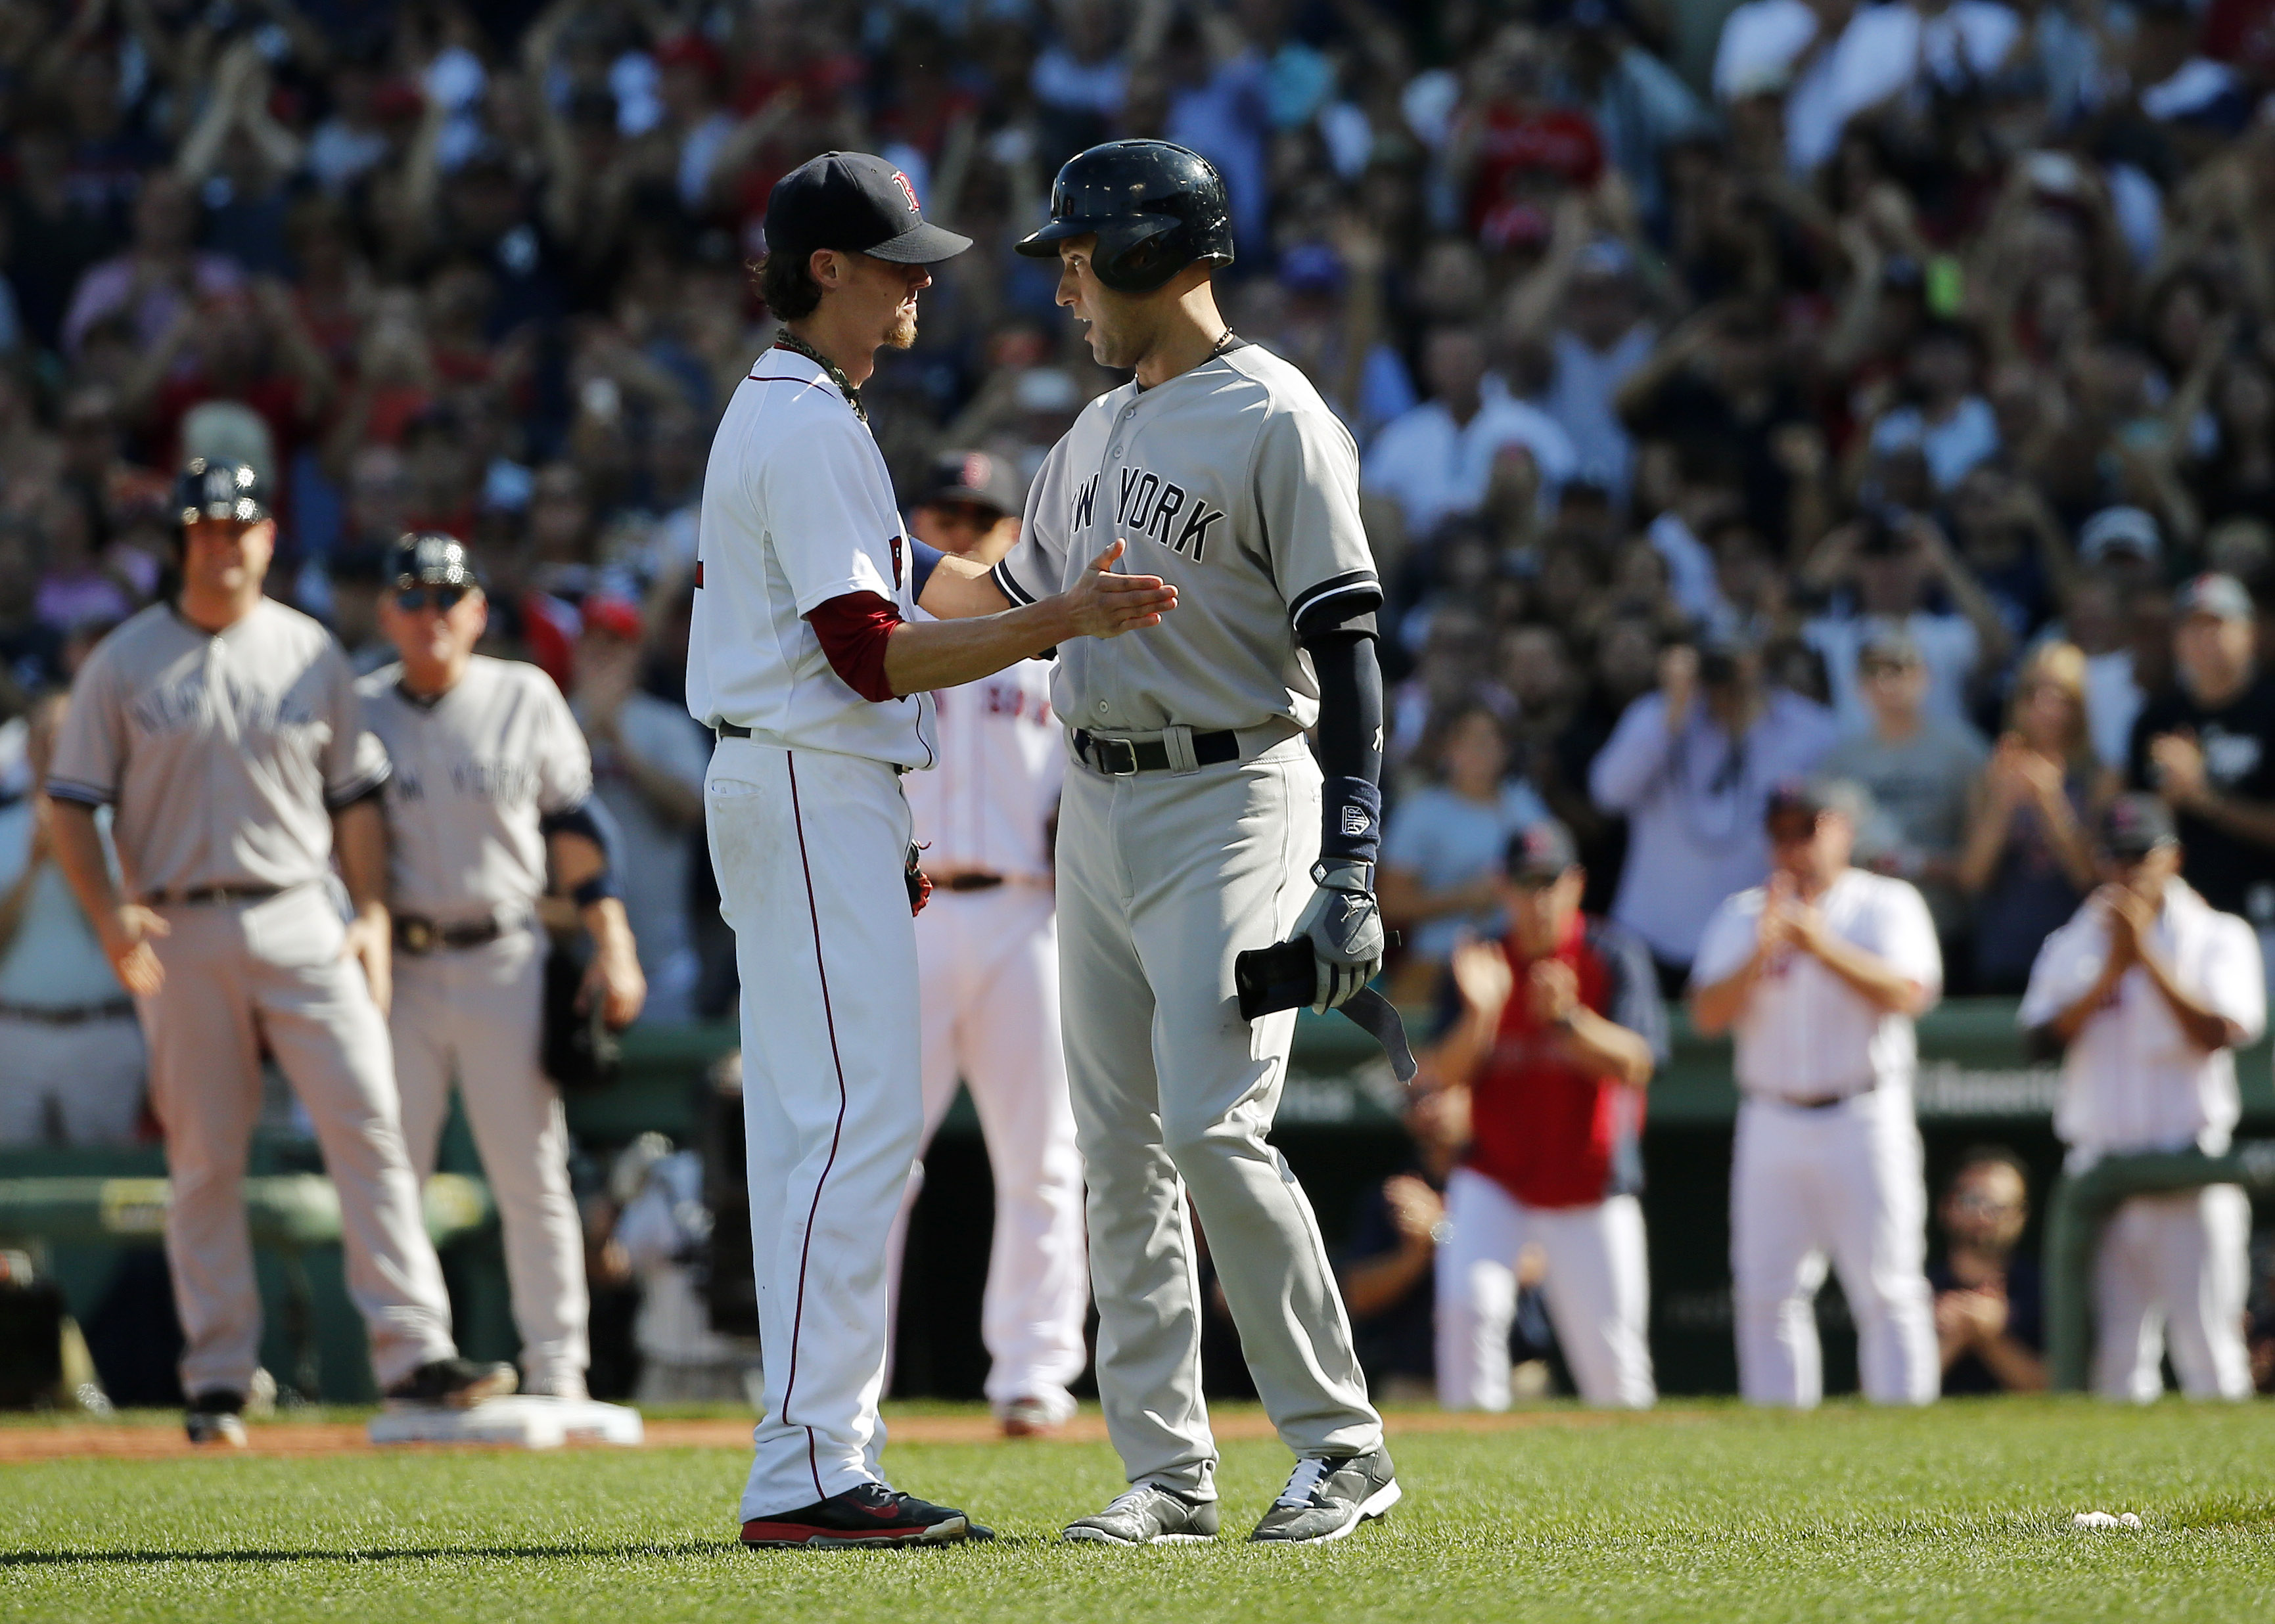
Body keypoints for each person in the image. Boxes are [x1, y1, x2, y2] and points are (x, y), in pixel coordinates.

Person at [687, 152, 1172, 1551]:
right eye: (894, 258)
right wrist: (1058, 623)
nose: (920, 281)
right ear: (825, 268)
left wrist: (1043, 586)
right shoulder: (803, 423)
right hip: (804, 772)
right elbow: (870, 655)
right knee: (849, 1129)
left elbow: (917, 589)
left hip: (808, 783)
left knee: (828, 1131)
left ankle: (815, 1454)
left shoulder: (806, 410)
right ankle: (812, 1470)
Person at [940, 139, 1399, 1545]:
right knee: (1120, 1150)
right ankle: (1168, 1473)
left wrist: (1355, 860)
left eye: (1077, 252)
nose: (1064, 279)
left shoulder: (1276, 414)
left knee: (1210, 1125)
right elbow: (987, 604)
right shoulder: (1085, 437)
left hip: (1233, 788)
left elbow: (1349, 642)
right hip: (1099, 804)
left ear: (1149, 249)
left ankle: (1340, 1447)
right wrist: (853, 559)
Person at [43, 460, 513, 1447]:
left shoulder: (310, 653)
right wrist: (108, 914)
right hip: (177, 920)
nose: (224, 540)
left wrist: (372, 913)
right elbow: (71, 804)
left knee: (371, 1127)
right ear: (182, 541)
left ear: (266, 538)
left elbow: (355, 802)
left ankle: (415, 1353)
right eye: (206, 526)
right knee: (205, 1157)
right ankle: (218, 1374)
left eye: (240, 525)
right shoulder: (123, 661)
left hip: (301, 910)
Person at [360, 531, 647, 1403]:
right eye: (411, 597)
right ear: (387, 613)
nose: (430, 614)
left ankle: (558, 1366)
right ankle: (411, 1357)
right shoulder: (357, 706)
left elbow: (577, 831)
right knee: (387, 1170)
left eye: (447, 597)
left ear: (478, 610)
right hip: (397, 966)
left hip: (505, 954)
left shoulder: (523, 696)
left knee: (530, 1173)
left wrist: (613, 940)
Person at [886, 447, 1091, 1439]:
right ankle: (850, 1380)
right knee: (878, 1157)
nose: (961, 529)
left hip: (1025, 915)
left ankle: (1034, 1373)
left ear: (1012, 532)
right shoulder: (883, 641)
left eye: (981, 514)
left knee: (1044, 1156)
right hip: (909, 912)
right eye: (945, 512)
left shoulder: (1050, 660)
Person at [1690, 780, 1942, 1408]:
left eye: (1806, 830)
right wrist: (1763, 949)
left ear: (1842, 830)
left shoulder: (1885, 903)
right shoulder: (1746, 914)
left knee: (1888, 1287)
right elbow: (1707, 1015)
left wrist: (1818, 944)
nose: (1793, 847)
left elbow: (1909, 994)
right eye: (1781, 834)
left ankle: (1908, 1437)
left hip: (1864, 1110)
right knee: (1766, 1290)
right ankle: (1780, 1443)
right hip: (1772, 1115)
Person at [2017, 795, 2265, 1402]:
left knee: (2209, 1351)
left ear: (2172, 858)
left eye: (2139, 856)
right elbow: (2036, 1041)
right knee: (2116, 1362)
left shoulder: (2217, 935)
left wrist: (2146, 955)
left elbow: (2222, 1032)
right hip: (2101, 1169)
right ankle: (2123, 1501)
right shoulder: (2075, 939)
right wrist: (2110, 969)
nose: (2126, 871)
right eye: (2114, 857)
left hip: (2189, 1165)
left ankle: (2231, 1499)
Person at [1431, 820, 1665, 1410]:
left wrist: (1569, 1021)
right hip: (1496, 1177)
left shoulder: (1610, 954)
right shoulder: (1478, 959)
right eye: (1524, 883)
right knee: (1469, 1308)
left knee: (1615, 1369)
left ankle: (1638, 1498)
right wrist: (1483, 1015)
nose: (1537, 899)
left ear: (1576, 884)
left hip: (1590, 1183)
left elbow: (1639, 1063)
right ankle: (1472, 1472)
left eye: (1549, 882)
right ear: (1500, 887)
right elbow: (1438, 1075)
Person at [1589, 635, 1841, 989]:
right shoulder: (1656, 714)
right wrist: (1671, 716)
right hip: (1653, 935)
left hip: (1755, 933)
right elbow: (1608, 794)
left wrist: (1751, 715)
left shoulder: (1809, 728)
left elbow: (1836, 820)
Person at [0, 690, 145, 1146]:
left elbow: (131, 942)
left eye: (63, 737)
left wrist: (71, 864)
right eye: (42, 738)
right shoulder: (4, 828)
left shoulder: (124, 831)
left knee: (106, 1192)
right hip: (15, 1035)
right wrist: (31, 869)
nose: (51, 749)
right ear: (27, 749)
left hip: (101, 1032)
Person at [2128, 573, 2275, 989]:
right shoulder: (2157, 719)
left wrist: (2204, 797)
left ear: (2250, 632)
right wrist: (2168, 800)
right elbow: (2133, 832)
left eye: (2217, 624)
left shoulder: (2269, 710)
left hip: (2265, 920)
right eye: (2192, 625)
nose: (2203, 637)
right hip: (2179, 926)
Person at [1961, 642, 2117, 993]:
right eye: (2033, 693)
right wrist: (2003, 802)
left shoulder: (2100, 777)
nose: (2045, 707)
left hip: (2079, 953)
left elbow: (2091, 877)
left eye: (2061, 696)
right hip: (2005, 952)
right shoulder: (1990, 775)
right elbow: (1971, 878)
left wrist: (2050, 802)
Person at [1820, 625, 1987, 946]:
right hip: (1860, 935)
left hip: (1944, 927)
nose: (1886, 681)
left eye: (1897, 669)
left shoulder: (1963, 753)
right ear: (1858, 684)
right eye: (1873, 671)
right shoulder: (1838, 763)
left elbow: (1983, 860)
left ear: (1925, 676)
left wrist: (1920, 864)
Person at [1378, 703, 1552, 990]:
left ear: (1506, 749)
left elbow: (1552, 877)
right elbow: (1391, 903)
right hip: (1438, 964)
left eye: (1490, 738)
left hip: (1519, 963)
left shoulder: (1526, 804)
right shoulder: (1421, 811)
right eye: (1468, 740)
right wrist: (1466, 898)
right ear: (1449, 749)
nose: (1480, 750)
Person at [1337, 1082, 1471, 1404]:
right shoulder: (1395, 1193)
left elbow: (1534, 1264)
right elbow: (1357, 1294)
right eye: (1418, 1100)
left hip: (1514, 1374)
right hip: (1413, 1382)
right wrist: (1415, 1255)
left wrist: (1441, 1229)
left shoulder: (1506, 1182)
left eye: (1443, 1094)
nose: (1430, 1109)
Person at [1927, 1147, 2046, 1395]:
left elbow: (2062, 1392)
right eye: (1971, 1201)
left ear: (2021, 1216)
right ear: (1946, 1207)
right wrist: (1955, 1337)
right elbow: (1879, 1395)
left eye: (1998, 1207)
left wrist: (1990, 1338)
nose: (1983, 1216)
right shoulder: (1914, 1290)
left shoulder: (2044, 1290)